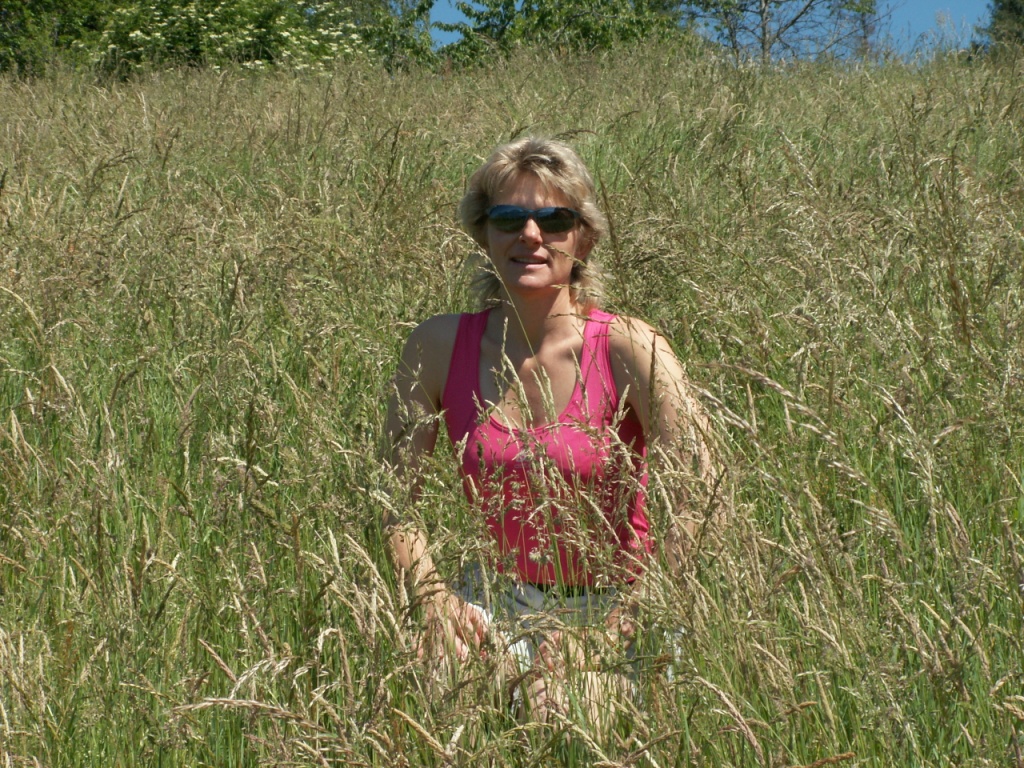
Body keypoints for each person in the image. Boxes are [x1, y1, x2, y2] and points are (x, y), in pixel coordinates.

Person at [383, 136, 722, 725]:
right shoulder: (437, 345)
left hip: (618, 603)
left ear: (583, 238)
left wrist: (618, 625)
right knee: (434, 688)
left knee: (560, 713)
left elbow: (702, 497)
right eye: (508, 218)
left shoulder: (631, 348)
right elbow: (393, 503)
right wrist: (434, 598)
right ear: (483, 235)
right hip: (493, 595)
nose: (530, 235)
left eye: (554, 220)